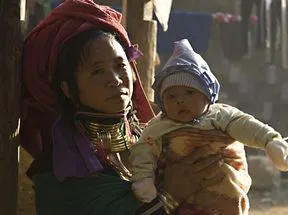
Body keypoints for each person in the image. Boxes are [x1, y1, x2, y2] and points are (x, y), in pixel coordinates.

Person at [20, 1, 229, 214]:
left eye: (120, 66)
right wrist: (170, 194)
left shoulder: (154, 138)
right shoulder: (61, 171)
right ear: (68, 89)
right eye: (97, 71)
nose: (115, 79)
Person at [130, 39, 288, 215]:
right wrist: (143, 179)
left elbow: (247, 126)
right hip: (181, 203)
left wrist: (270, 140)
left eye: (189, 92)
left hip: (227, 198)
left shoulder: (221, 115)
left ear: (207, 96)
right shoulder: (158, 127)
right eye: (171, 96)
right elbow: (143, 152)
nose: (180, 100)